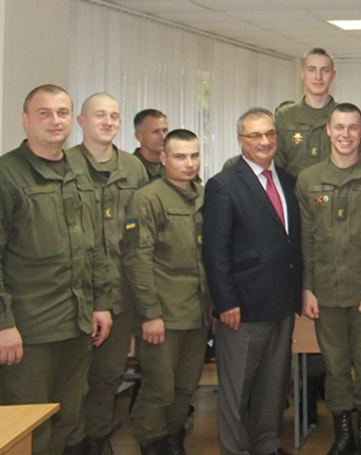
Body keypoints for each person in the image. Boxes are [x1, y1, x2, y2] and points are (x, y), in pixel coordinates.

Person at [0, 84, 113, 455]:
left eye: (62, 112)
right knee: (27, 426)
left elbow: (94, 245)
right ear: (25, 120)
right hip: (29, 329)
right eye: (44, 113)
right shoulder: (7, 175)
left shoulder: (78, 171)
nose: (55, 121)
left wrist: (101, 302)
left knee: (68, 418)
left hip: (76, 322)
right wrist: (3, 325)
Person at [296, 103, 361, 455]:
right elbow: (306, 239)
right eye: (339, 127)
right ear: (328, 130)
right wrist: (307, 288)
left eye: (353, 127)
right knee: (335, 368)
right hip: (325, 293)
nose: (346, 134)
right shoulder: (308, 180)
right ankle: (343, 436)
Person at [203, 108, 302, 455]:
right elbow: (215, 251)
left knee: (273, 385)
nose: (264, 141)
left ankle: (267, 444)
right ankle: (235, 449)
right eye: (255, 135)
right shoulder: (224, 185)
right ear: (241, 141)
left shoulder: (288, 182)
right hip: (242, 308)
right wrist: (225, 302)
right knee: (237, 390)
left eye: (269, 134)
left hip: (282, 305)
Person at [70, 92, 149, 455]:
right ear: (81, 121)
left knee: (108, 374)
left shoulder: (133, 169)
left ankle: (96, 440)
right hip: (75, 293)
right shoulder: (65, 165)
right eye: (99, 115)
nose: (107, 122)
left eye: (114, 116)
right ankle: (69, 443)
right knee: (72, 379)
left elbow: (141, 233)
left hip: (121, 294)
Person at [124, 129, 210, 455]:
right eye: (180, 156)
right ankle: (151, 445)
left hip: (196, 313)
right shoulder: (147, 199)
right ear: (163, 158)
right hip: (163, 315)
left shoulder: (203, 196)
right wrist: (150, 314)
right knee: (159, 390)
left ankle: (174, 443)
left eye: (194, 156)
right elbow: (137, 259)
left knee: (185, 388)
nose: (189, 163)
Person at [276, 48, 338, 177]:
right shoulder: (284, 117)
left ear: (333, 75)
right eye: (311, 70)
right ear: (302, 73)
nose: (318, 77)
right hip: (293, 188)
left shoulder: (344, 117)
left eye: (325, 70)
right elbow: (276, 167)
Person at [133, 108, 170, 182]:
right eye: (155, 132)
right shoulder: (128, 168)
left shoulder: (174, 167)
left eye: (165, 131)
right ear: (139, 136)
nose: (163, 137)